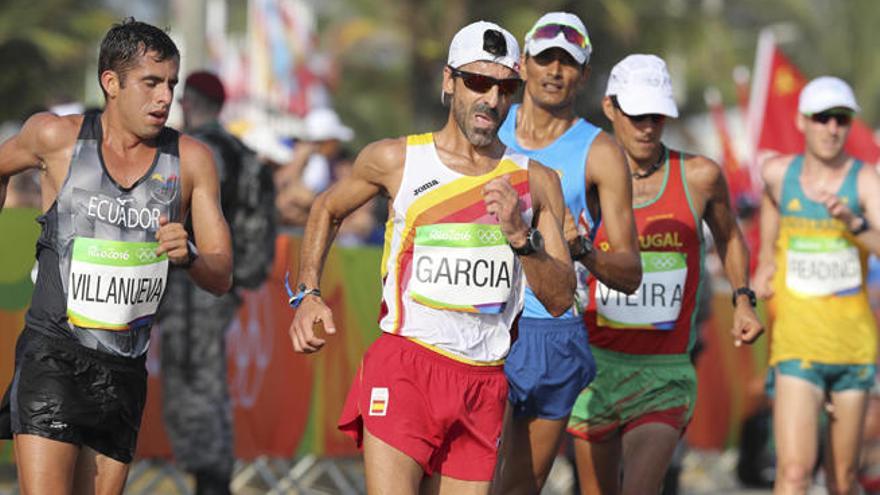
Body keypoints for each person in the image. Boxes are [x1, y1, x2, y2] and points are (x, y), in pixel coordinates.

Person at [288, 21, 574, 495]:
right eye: (477, 82)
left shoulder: (538, 181)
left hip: (484, 381)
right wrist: (308, 293)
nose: (491, 99)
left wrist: (522, 239)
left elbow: (562, 297)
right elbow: (327, 208)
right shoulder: (396, 160)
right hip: (407, 368)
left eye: (505, 87)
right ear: (449, 81)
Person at [0, 19, 232, 494]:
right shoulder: (57, 139)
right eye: (151, 83)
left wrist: (188, 256)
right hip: (53, 355)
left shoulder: (191, 160)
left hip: (124, 371)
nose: (165, 98)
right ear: (111, 82)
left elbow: (222, 272)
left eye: (171, 84)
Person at [565, 54, 763, 495]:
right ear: (611, 107)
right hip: (593, 367)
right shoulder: (582, 177)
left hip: (665, 371)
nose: (648, 127)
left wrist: (743, 300)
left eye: (657, 115)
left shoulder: (699, 177)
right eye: (636, 115)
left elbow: (731, 238)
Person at [490, 12, 641, 495]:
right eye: (544, 59)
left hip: (549, 327)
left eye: (568, 62)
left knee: (519, 486)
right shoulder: (485, 123)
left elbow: (631, 270)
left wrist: (582, 251)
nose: (555, 71)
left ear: (585, 74)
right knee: (466, 476)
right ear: (524, 65)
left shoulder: (599, 151)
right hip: (479, 316)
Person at [753, 76, 880, 495]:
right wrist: (767, 258)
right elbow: (770, 200)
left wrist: (853, 223)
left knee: (841, 481)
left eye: (841, 119)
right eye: (823, 118)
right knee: (793, 472)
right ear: (802, 121)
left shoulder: (865, 183)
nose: (832, 128)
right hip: (797, 346)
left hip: (851, 348)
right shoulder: (777, 173)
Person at [157, 70, 244, 495]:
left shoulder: (202, 151)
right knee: (208, 388)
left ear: (189, 101)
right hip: (224, 281)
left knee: (195, 389)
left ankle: (210, 483)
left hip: (194, 282)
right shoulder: (242, 150)